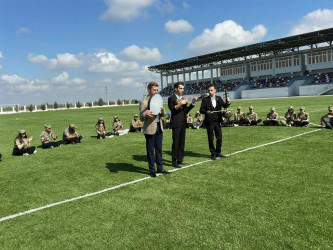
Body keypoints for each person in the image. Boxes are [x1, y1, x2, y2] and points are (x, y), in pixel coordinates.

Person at [140, 81, 169, 177]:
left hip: (159, 127)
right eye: (154, 90)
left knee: (159, 150)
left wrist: (163, 111)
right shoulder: (144, 101)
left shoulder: (158, 100)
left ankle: (160, 169)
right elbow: (141, 117)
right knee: (150, 151)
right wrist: (145, 114)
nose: (156, 92)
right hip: (149, 129)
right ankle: (152, 170)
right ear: (149, 89)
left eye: (157, 90)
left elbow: (163, 115)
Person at [168, 82, 198, 168]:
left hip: (183, 123)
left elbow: (186, 111)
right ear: (175, 89)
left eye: (183, 88)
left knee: (182, 142)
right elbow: (172, 109)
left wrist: (192, 103)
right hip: (176, 123)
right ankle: (174, 161)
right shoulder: (171, 98)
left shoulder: (183, 98)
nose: (182, 90)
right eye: (180, 88)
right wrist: (181, 103)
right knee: (176, 142)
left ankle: (180, 160)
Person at [200, 84, 230, 160]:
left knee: (219, 137)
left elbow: (225, 106)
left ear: (215, 90)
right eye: (209, 90)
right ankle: (213, 153)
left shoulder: (219, 98)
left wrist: (228, 102)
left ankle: (218, 152)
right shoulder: (205, 99)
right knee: (211, 138)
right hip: (209, 122)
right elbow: (201, 110)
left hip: (217, 121)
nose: (210, 92)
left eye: (211, 90)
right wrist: (207, 112)